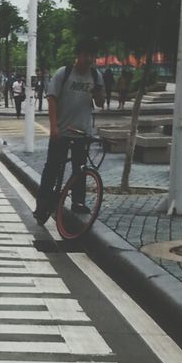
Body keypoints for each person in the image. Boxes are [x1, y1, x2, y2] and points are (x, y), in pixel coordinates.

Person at [33, 39, 105, 224]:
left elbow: (100, 103)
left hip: (82, 132)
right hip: (62, 131)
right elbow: (52, 99)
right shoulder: (64, 74)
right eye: (86, 55)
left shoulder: (96, 77)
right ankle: (42, 205)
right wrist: (54, 126)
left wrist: (98, 92)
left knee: (79, 170)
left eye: (92, 55)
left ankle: (78, 201)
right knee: (52, 168)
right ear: (78, 55)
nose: (89, 59)